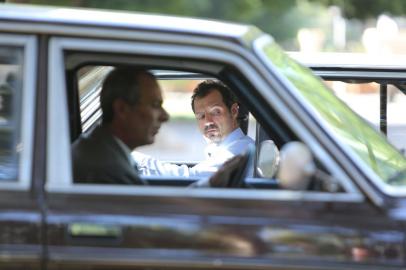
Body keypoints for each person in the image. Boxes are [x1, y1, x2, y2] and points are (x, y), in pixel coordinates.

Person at [133, 80, 255, 177]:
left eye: (215, 112)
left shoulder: (239, 150)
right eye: (201, 116)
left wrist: (136, 159)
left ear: (233, 111)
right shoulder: (223, 149)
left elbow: (190, 178)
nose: (208, 122)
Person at [72, 67, 169, 184]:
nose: (165, 117)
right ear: (122, 109)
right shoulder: (110, 172)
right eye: (155, 105)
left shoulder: (98, 150)